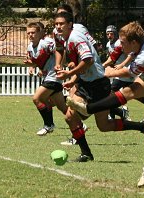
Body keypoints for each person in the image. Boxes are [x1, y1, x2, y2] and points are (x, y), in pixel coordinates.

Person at [66, 21, 144, 187]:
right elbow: (131, 60)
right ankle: (88, 108)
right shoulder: (142, 40)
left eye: (123, 42)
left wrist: (110, 72)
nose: (120, 45)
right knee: (127, 92)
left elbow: (129, 72)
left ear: (133, 42)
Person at [54, 13, 144, 162]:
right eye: (56, 24)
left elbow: (88, 60)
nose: (58, 27)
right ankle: (86, 153)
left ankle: (140, 127)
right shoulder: (64, 37)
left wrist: (70, 72)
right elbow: (65, 52)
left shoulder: (75, 38)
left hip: (99, 84)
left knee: (104, 125)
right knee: (70, 117)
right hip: (85, 84)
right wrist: (73, 79)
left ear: (70, 24)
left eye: (61, 24)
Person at [53, 3, 92, 145]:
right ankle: (78, 134)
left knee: (102, 122)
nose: (58, 25)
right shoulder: (57, 32)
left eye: (62, 19)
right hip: (78, 71)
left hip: (88, 72)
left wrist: (75, 67)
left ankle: (80, 127)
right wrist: (59, 63)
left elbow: (90, 50)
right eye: (57, 19)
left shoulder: (79, 30)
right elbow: (59, 48)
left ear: (70, 20)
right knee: (71, 108)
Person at [24, 22, 68, 135]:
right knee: (63, 108)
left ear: (40, 33)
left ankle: (49, 125)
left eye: (33, 32)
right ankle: (80, 126)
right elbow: (40, 60)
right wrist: (31, 65)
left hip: (54, 76)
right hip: (48, 76)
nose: (30, 35)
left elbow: (61, 50)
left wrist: (60, 65)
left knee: (37, 98)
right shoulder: (30, 47)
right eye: (28, 33)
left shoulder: (46, 43)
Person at [103, 25, 131, 120]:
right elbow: (110, 58)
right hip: (117, 72)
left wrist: (122, 65)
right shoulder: (108, 44)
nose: (109, 35)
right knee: (110, 94)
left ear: (115, 34)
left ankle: (120, 113)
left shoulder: (119, 43)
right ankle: (115, 114)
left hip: (126, 72)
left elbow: (129, 56)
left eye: (111, 33)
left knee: (110, 94)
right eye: (107, 34)